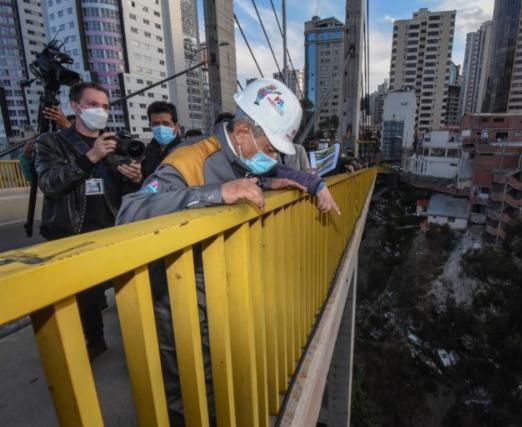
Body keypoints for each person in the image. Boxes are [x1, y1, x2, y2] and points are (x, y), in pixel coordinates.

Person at [116, 77, 340, 425]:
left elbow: (272, 172)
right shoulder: (189, 159)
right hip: (176, 298)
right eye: (269, 149)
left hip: (217, 289)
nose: (272, 159)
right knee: (186, 388)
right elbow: (129, 213)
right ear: (242, 132)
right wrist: (216, 193)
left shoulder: (241, 158)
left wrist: (304, 183)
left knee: (216, 379)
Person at [35, 82, 143, 361]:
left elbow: (125, 192)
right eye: (93, 105)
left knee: (128, 291)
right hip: (73, 232)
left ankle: (137, 343)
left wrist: (134, 179)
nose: (100, 111)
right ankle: (95, 341)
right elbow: (50, 184)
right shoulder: (52, 142)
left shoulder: (114, 143)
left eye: (105, 106)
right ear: (75, 106)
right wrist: (92, 156)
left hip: (112, 230)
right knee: (84, 299)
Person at [142, 101, 182, 178]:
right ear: (150, 126)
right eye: (155, 124)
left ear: (177, 126)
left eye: (166, 124)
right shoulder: (144, 154)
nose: (160, 128)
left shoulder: (186, 152)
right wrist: (137, 179)